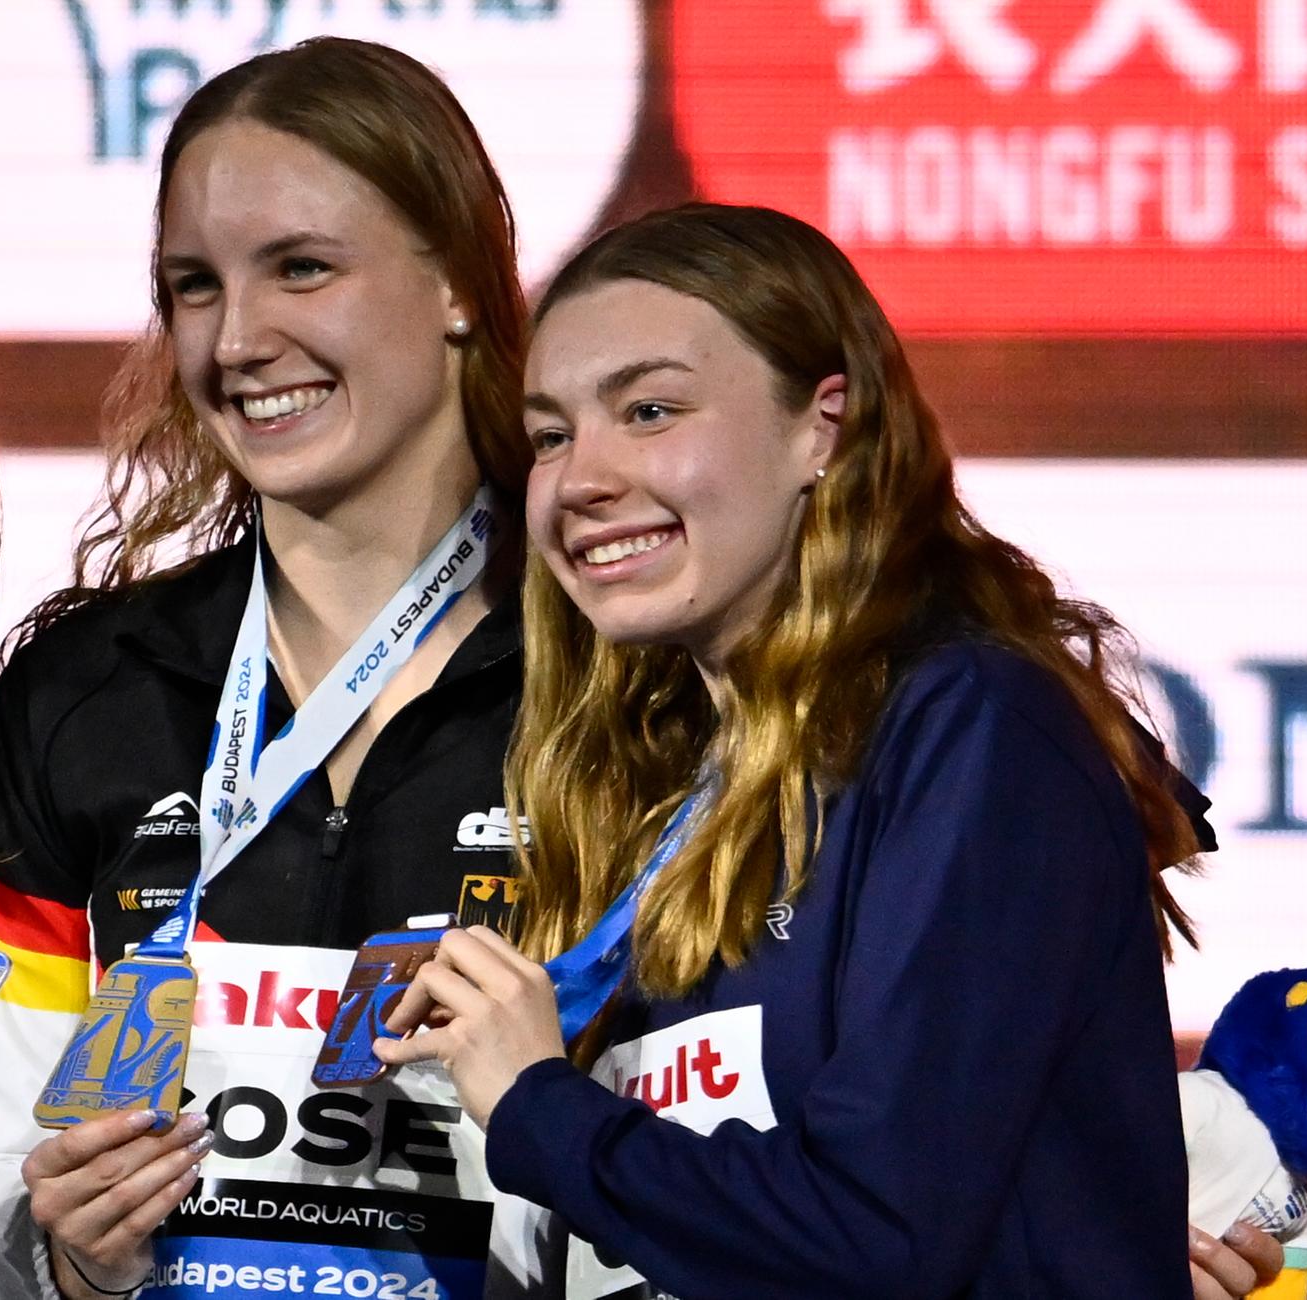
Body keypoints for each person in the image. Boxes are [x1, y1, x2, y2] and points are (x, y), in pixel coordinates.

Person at [372, 202, 1223, 1298]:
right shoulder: (647, 785)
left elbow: (876, 1235)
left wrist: (538, 1101)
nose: (582, 478)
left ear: (820, 427)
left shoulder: (970, 734)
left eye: (648, 409)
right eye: (550, 434)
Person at [0, 37, 534, 1300]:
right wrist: (63, 1256)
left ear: (455, 284)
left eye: (301, 269)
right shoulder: (89, 689)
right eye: (192, 286)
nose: (238, 338)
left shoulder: (610, 674)